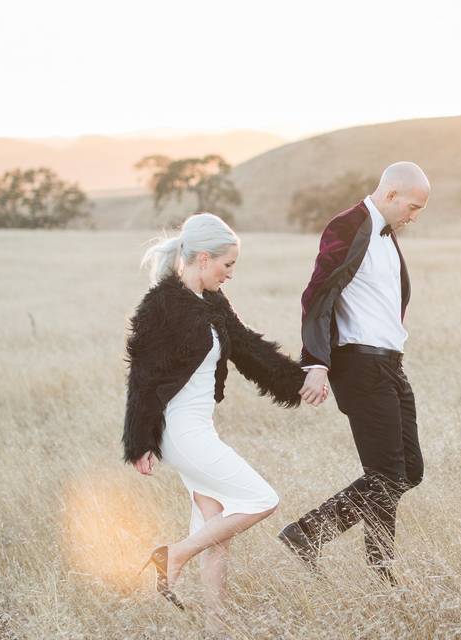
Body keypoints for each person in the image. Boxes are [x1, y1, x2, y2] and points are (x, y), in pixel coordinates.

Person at [122, 212, 327, 616]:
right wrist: (139, 442)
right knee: (261, 499)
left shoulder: (213, 302)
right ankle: (173, 556)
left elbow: (248, 348)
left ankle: (217, 624)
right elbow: (142, 376)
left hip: (200, 429)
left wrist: (297, 380)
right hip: (179, 431)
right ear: (202, 258)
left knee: (216, 527)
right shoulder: (161, 305)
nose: (230, 273)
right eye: (227, 264)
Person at [278, 162, 430, 585]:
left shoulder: (387, 237)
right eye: (413, 207)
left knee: (409, 470)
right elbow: (318, 293)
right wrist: (317, 364)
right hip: (360, 366)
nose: (414, 217)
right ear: (392, 194)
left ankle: (306, 534)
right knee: (385, 474)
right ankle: (383, 574)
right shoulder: (347, 226)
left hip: (390, 364)